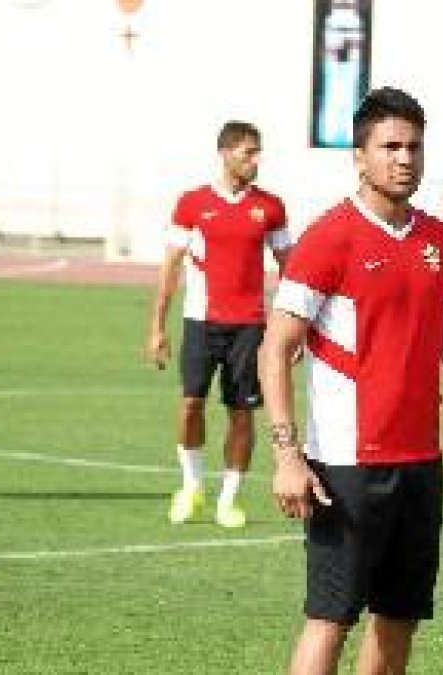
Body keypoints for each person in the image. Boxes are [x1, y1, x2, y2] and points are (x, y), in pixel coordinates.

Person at [259, 86, 443, 675]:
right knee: (331, 619)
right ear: (360, 155)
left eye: (414, 147)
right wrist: (286, 455)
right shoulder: (329, 238)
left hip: (422, 459)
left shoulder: (441, 242)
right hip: (346, 463)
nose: (404, 159)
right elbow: (277, 349)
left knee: (398, 619)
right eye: (390, 146)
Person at [145, 121, 291, 529]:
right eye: (249, 153)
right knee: (191, 404)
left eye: (259, 152)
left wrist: (292, 332)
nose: (256, 160)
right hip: (200, 322)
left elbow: (290, 270)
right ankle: (191, 485)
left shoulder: (271, 207)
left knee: (240, 414)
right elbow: (171, 266)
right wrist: (157, 326)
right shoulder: (192, 204)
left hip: (249, 327)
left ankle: (229, 499)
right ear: (226, 154)